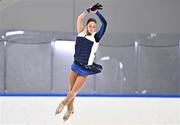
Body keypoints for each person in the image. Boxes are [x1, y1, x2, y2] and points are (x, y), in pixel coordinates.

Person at [55, 3, 107, 121]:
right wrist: (89, 10)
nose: (92, 28)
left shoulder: (96, 37)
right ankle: (71, 109)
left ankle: (63, 104)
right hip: (75, 65)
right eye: (90, 26)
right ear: (87, 26)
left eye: (94, 27)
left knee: (73, 91)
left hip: (85, 69)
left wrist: (97, 13)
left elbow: (105, 24)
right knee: (71, 90)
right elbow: (80, 18)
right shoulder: (81, 32)